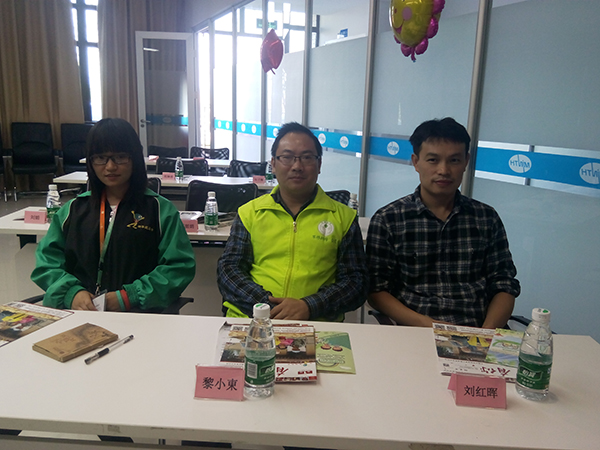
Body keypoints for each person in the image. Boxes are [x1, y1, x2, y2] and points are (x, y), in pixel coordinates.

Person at [366, 117, 520, 328]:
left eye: (454, 160)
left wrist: (485, 335)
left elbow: (504, 284)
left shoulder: (486, 218)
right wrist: (431, 327)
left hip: (479, 329)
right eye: (433, 160)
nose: (444, 170)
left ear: (466, 162)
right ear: (416, 162)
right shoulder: (389, 219)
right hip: (416, 330)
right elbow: (376, 290)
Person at [31, 118, 196, 312]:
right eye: (100, 157)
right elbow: (47, 262)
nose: (110, 166)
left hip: (140, 315)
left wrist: (129, 296)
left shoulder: (160, 210)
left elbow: (178, 267)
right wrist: (71, 293)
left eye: (120, 157)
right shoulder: (73, 210)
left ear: (134, 158)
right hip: (80, 314)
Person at [217, 122, 367, 321]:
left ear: (319, 165)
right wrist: (268, 306)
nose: (297, 166)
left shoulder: (344, 218)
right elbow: (229, 270)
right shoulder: (249, 213)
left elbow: (356, 283)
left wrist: (309, 306)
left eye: (307, 157)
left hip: (317, 324)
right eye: (287, 157)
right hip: (252, 321)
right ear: (273, 164)